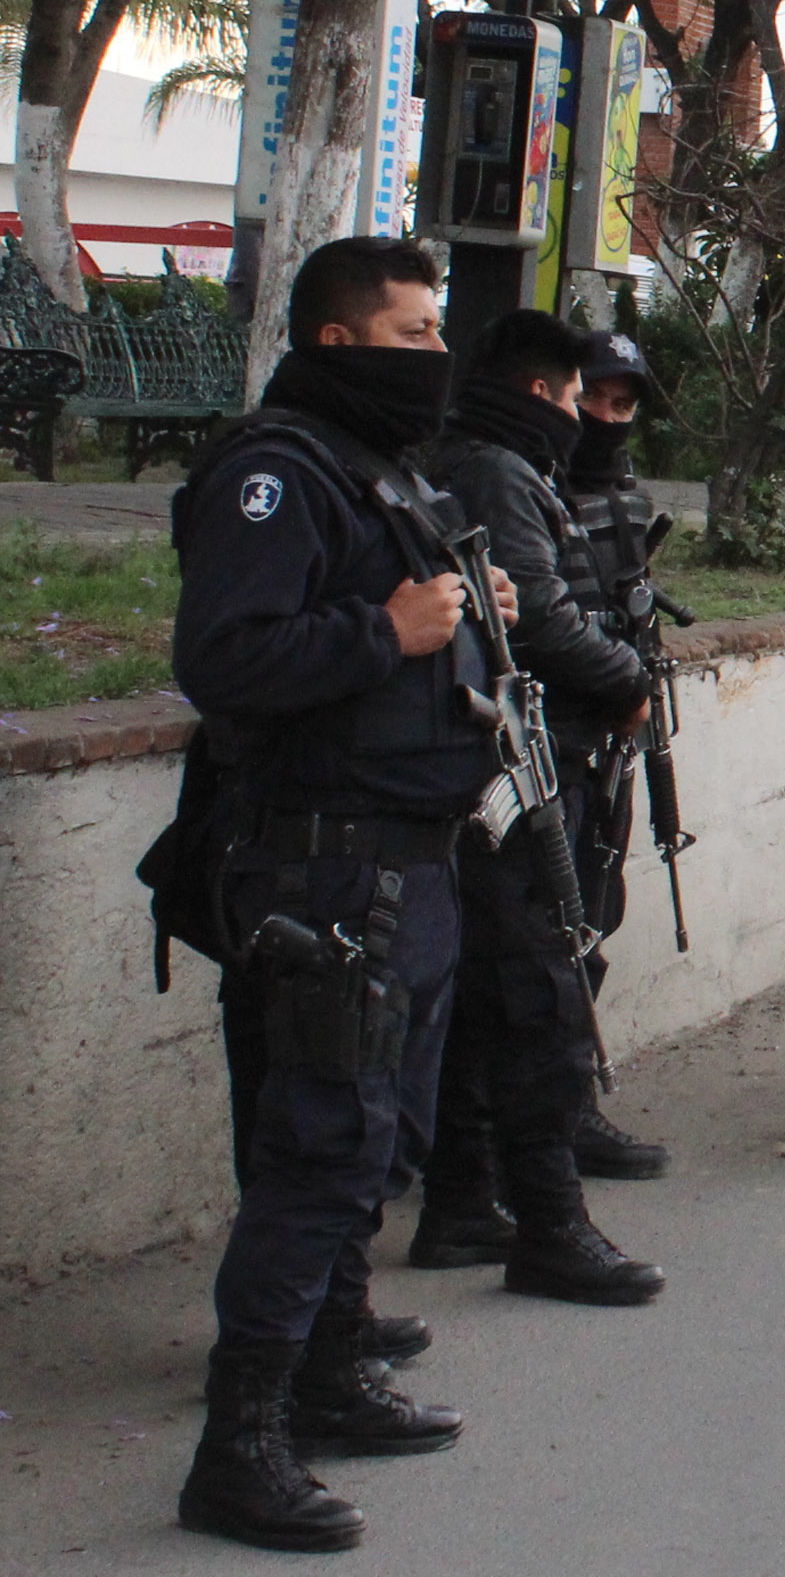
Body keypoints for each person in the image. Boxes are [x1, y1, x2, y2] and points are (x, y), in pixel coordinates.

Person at [169, 238, 505, 1551]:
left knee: (375, 1141)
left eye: (437, 330)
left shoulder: (378, 472)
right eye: (413, 333)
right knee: (319, 1151)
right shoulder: (275, 473)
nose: (438, 354)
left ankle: (329, 1364)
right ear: (335, 342)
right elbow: (228, 657)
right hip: (328, 862)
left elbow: (406, 616)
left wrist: (469, 615)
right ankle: (237, 1446)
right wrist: (395, 633)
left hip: (404, 856)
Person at [413, 311, 664, 1307]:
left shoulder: (505, 467)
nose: (584, 415)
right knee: (537, 997)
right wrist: (627, 674)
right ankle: (545, 1219)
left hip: (516, 762)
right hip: (512, 768)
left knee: (501, 997)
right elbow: (547, 629)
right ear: (535, 392)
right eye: (572, 396)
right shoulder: (502, 473)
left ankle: (468, 1198)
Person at [557, 329, 675, 1180]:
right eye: (593, 399)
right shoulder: (530, 491)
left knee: (597, 913)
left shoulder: (627, 499)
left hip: (613, 743)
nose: (605, 418)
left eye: (622, 406)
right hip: (551, 741)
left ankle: (566, 1103)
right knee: (547, 930)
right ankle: (545, 1110)